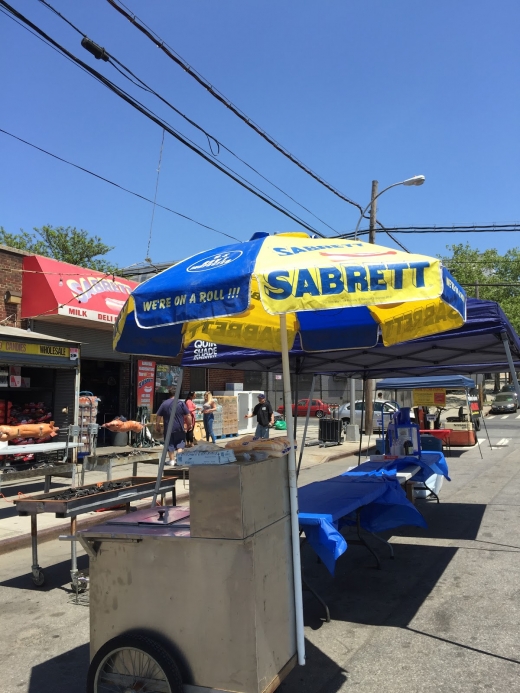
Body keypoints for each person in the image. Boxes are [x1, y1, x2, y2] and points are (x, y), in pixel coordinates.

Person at [155, 386, 192, 465]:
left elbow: (158, 415)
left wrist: (157, 425)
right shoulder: (181, 403)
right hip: (179, 427)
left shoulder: (164, 403)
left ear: (169, 394)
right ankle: (179, 459)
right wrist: (190, 424)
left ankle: (172, 460)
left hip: (168, 427)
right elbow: (188, 415)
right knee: (180, 443)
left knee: (169, 443)